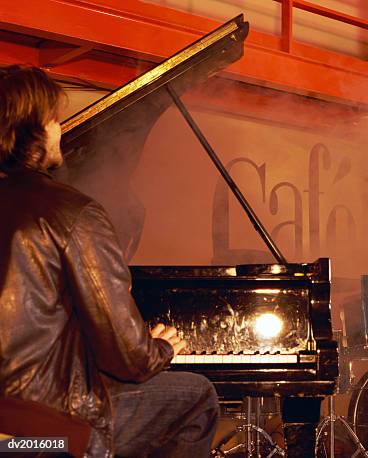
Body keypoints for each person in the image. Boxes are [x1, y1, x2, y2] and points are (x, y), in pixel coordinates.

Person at [0, 65, 219, 457]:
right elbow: (128, 358)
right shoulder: (71, 213)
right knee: (196, 396)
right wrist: (159, 348)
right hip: (42, 433)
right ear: (34, 128)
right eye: (54, 119)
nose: (60, 129)